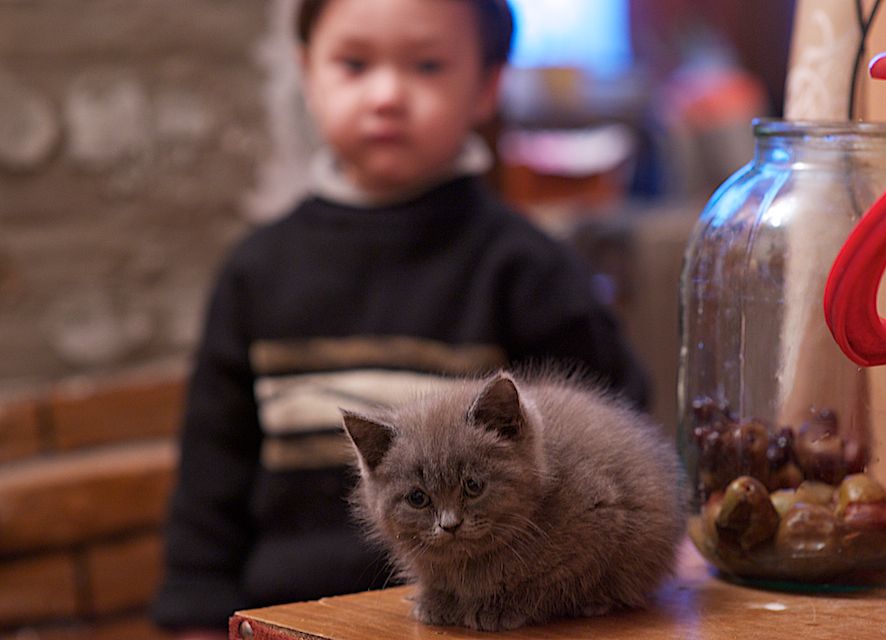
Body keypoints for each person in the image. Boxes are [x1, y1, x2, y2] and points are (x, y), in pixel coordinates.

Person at [152, 0, 650, 637]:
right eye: (355, 64)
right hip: (279, 621)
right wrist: (195, 618)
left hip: (492, 619)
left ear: (488, 85)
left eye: (427, 64)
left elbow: (617, 444)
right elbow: (209, 485)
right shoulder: (255, 271)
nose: (387, 94)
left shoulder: (528, 267)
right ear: (307, 74)